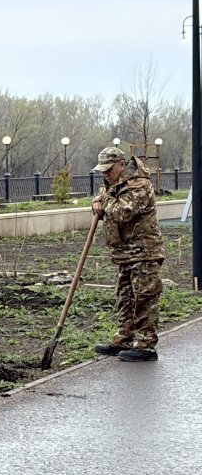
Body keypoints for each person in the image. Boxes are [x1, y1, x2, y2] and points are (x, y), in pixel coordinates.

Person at [90, 147, 164, 361]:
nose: (105, 174)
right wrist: (97, 201)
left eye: (108, 169)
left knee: (144, 298)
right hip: (125, 253)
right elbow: (105, 201)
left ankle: (146, 345)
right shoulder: (115, 184)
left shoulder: (139, 184)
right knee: (125, 297)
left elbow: (123, 212)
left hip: (144, 253)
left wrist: (102, 201)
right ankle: (124, 338)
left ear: (122, 165)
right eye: (102, 171)